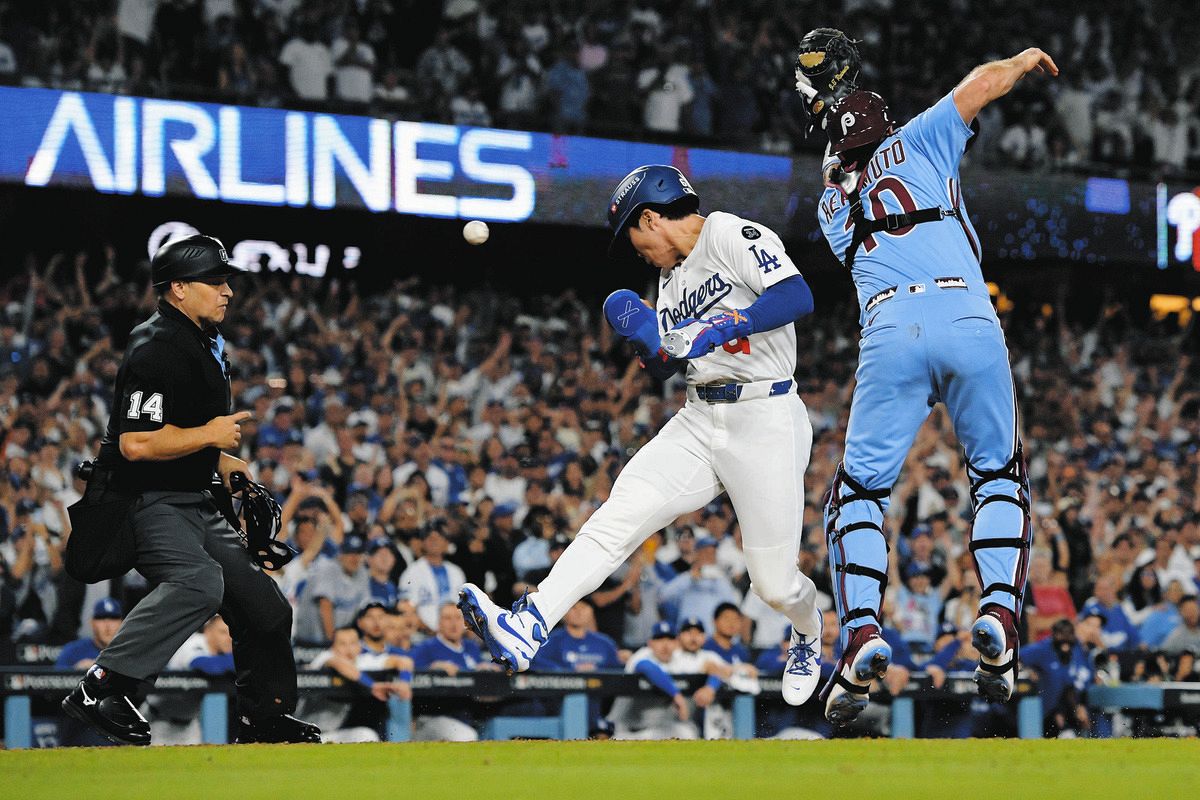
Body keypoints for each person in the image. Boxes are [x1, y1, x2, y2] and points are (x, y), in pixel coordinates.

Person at [461, 163, 824, 707]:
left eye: (631, 235)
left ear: (650, 218)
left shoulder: (729, 233)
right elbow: (668, 365)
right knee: (620, 514)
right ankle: (529, 624)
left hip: (765, 416)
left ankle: (809, 629)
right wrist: (647, 340)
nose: (635, 251)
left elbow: (797, 295)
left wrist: (723, 325)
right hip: (699, 417)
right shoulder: (670, 280)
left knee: (774, 585)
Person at [812, 47, 1059, 724]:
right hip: (968, 313)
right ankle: (1000, 616)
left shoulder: (832, 206)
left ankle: (862, 632)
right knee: (998, 476)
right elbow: (981, 85)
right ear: (886, 128)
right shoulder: (918, 139)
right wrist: (1019, 61)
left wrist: (830, 132)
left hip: (890, 327)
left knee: (860, 493)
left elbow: (843, 173)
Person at [60, 234, 318, 746]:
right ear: (178, 287)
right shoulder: (155, 347)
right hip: (144, 499)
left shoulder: (200, 339)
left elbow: (180, 430)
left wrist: (220, 461)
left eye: (226, 281)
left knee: (265, 607)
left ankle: (263, 718)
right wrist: (209, 436)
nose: (227, 291)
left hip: (190, 496)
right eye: (215, 281)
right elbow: (136, 443)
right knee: (198, 582)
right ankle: (103, 686)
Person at [56, 598, 124, 670]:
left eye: (113, 618)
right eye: (101, 618)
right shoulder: (72, 651)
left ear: (122, 623)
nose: (107, 625)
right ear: (92, 623)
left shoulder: (129, 652)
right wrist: (76, 672)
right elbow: (57, 675)